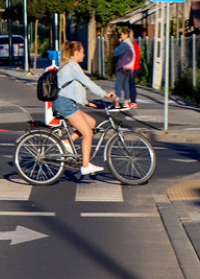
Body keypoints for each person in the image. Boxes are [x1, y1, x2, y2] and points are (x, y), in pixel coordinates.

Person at [54, 40, 116, 175]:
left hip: (65, 102)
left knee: (91, 122)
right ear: (76, 53)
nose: (84, 55)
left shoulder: (69, 65)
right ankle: (85, 165)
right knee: (88, 133)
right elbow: (87, 82)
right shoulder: (73, 66)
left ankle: (67, 142)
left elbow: (72, 88)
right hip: (64, 103)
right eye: (82, 52)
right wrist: (105, 94)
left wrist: (86, 102)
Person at [112, 27, 139, 109]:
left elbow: (116, 53)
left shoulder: (124, 44)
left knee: (119, 84)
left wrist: (119, 43)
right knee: (126, 84)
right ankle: (126, 102)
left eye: (122, 34)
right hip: (129, 67)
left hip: (122, 67)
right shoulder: (131, 44)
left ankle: (117, 102)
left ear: (126, 35)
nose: (121, 36)